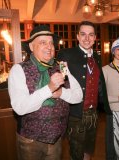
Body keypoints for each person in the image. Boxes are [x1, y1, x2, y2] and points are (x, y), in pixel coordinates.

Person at [8, 25, 83, 160]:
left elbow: (78, 96)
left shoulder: (61, 66)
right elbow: (20, 107)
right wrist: (49, 88)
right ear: (31, 47)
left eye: (51, 43)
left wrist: (61, 93)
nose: (49, 47)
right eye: (43, 43)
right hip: (30, 142)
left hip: (57, 140)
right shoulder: (18, 70)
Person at [57, 21, 112, 160]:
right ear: (77, 36)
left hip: (94, 114)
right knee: (76, 153)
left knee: (89, 149)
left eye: (91, 35)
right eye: (83, 34)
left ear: (95, 38)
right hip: (75, 113)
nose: (87, 38)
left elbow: (99, 84)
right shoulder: (66, 54)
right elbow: (61, 81)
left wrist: (104, 105)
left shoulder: (97, 57)